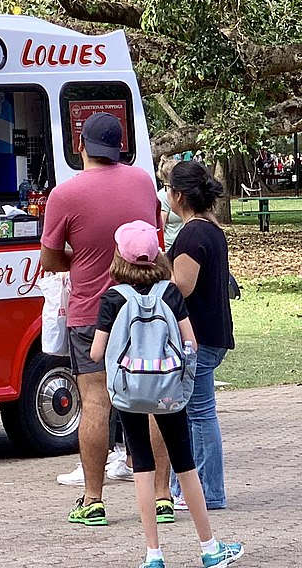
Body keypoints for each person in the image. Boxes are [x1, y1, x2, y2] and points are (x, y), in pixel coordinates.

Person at [41, 112, 172, 526]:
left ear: (81, 145)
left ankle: (94, 500)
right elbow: (153, 241)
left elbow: (49, 259)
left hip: (89, 313)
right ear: (119, 147)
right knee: (154, 399)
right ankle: (163, 497)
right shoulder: (142, 182)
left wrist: (80, 257)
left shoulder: (65, 194)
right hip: (144, 309)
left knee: (95, 401)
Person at [89, 221, 244, 568]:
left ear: (119, 257)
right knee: (184, 463)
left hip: (130, 391)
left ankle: (153, 554)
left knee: (141, 464)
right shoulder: (170, 294)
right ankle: (209, 546)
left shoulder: (113, 298)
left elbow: (97, 353)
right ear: (158, 255)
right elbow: (191, 342)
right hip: (168, 390)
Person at [167, 161, 235, 510]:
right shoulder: (212, 229)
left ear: (178, 195)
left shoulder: (192, 234)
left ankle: (208, 491)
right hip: (213, 333)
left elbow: (182, 285)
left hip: (200, 336)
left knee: (199, 414)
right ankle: (192, 488)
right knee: (196, 413)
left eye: (168, 189)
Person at [156, 156, 184, 249]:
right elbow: (160, 228)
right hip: (170, 249)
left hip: (184, 244)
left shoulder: (183, 192)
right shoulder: (163, 196)